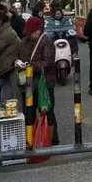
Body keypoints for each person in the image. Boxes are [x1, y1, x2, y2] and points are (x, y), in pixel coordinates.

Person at [19, 16, 59, 144]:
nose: (31, 35)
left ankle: (52, 139)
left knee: (47, 110)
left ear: (38, 30)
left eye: (32, 32)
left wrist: (30, 65)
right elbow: (20, 54)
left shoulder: (46, 41)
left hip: (45, 81)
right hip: (30, 82)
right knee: (30, 110)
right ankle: (32, 139)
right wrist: (19, 62)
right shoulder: (25, 41)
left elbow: (47, 62)